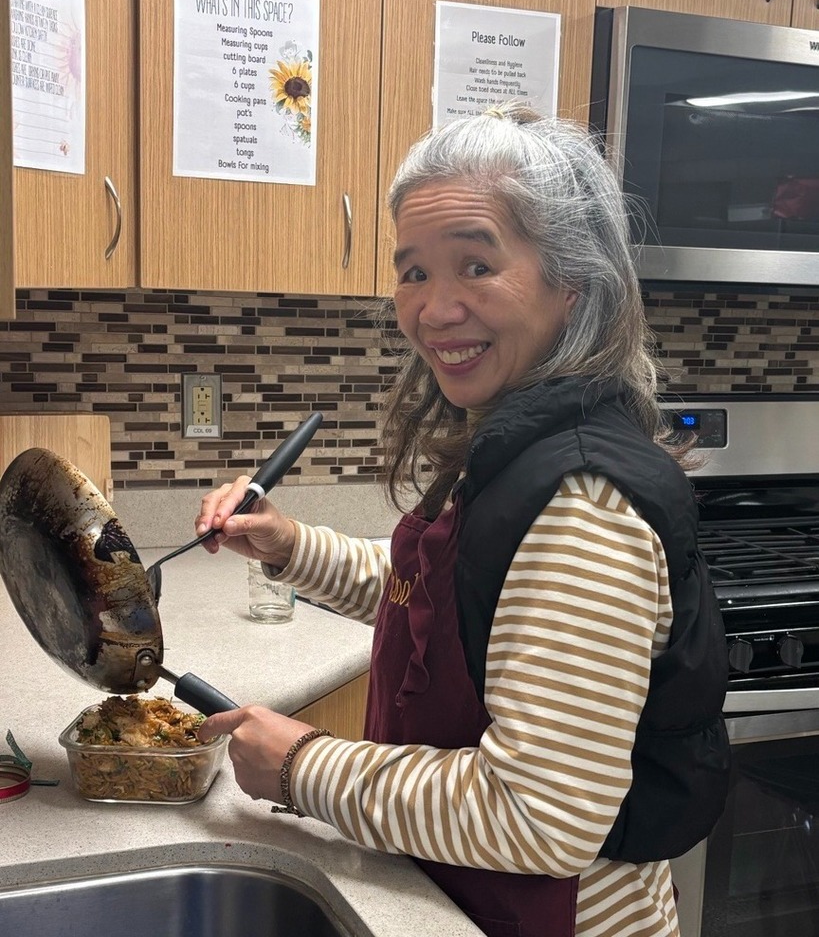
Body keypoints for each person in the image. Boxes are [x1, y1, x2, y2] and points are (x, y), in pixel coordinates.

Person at [196, 104, 730, 937]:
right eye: (412, 272)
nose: (434, 308)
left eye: (475, 265)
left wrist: (304, 766)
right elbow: (452, 602)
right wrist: (291, 547)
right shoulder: (520, 445)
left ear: (570, 284)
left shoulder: (580, 508)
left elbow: (536, 817)